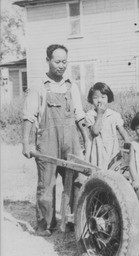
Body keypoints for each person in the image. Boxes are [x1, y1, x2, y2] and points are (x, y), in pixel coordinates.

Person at [22, 44, 89, 236]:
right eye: (57, 61)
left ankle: (74, 221)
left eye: (64, 61)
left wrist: (87, 141)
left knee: (77, 181)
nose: (61, 65)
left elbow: (79, 115)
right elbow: (28, 116)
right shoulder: (39, 86)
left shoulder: (71, 85)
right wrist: (26, 143)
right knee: (47, 183)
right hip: (48, 141)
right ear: (48, 61)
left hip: (71, 141)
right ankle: (45, 225)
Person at [84, 82, 130, 169]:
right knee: (98, 172)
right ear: (91, 99)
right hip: (96, 150)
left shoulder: (114, 114)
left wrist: (127, 140)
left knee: (112, 170)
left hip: (111, 148)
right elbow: (95, 132)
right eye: (95, 98)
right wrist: (100, 114)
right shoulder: (90, 115)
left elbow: (122, 130)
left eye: (103, 97)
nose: (99, 100)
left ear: (108, 98)